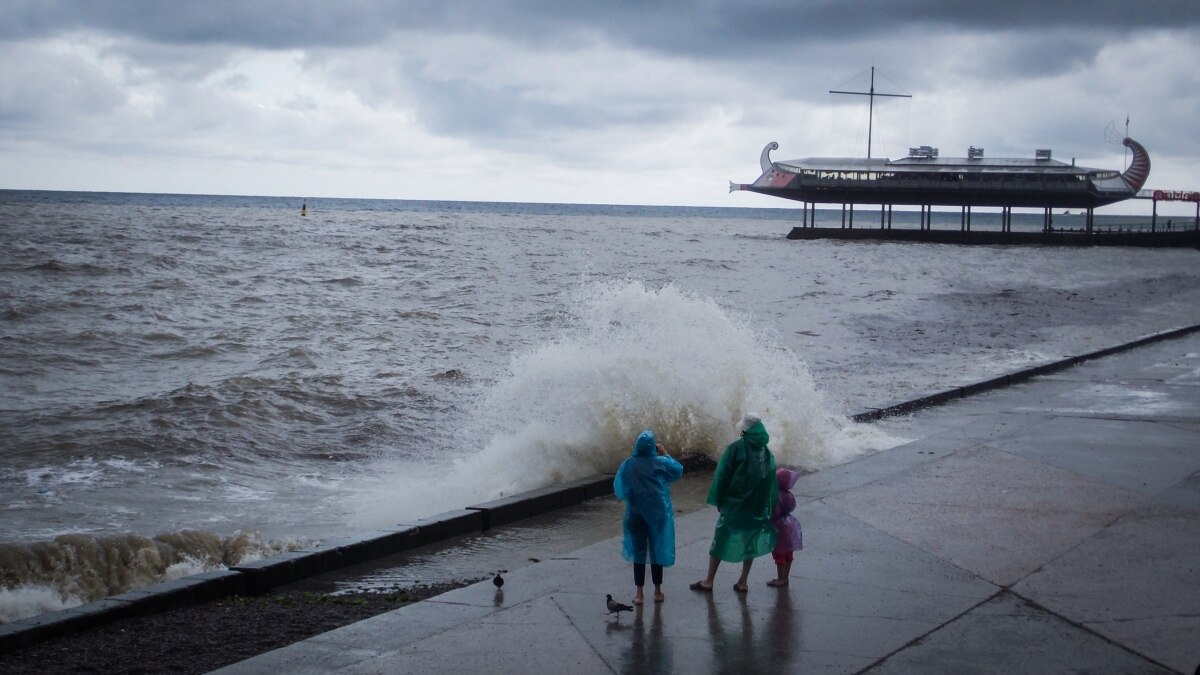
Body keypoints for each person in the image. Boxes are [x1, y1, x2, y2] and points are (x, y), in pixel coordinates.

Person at [691, 413, 778, 593]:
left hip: (735, 505)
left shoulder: (736, 448)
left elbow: (722, 476)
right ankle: (743, 581)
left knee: (721, 538)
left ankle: (709, 581)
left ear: (744, 429)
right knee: (750, 542)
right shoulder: (767, 452)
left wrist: (719, 499)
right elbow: (770, 481)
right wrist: (768, 505)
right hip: (756, 507)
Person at [614, 428, 684, 604]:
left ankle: (639, 594)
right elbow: (677, 471)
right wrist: (665, 453)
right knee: (656, 550)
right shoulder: (659, 462)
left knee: (639, 552)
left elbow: (620, 490)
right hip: (658, 513)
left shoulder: (628, 464)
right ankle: (658, 591)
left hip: (635, 515)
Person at [767, 467, 803, 587]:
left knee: (779, 553)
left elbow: (774, 512)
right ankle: (786, 577)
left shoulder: (776, 495)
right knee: (788, 552)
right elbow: (792, 506)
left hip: (779, 526)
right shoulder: (789, 494)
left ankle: (780, 578)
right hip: (789, 524)